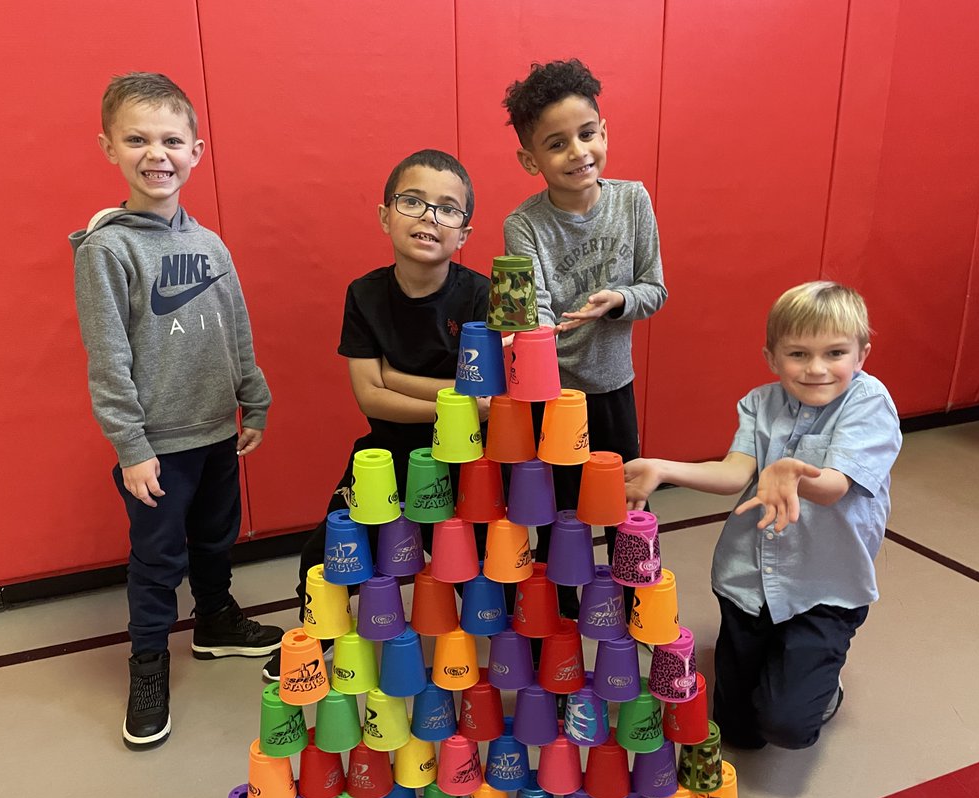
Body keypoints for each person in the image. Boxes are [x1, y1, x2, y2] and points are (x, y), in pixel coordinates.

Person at [71, 73, 280, 750]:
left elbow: (235, 326)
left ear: (197, 150)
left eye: (170, 139)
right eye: (137, 139)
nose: (155, 153)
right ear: (109, 147)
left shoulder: (212, 245)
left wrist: (253, 393)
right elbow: (107, 360)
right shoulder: (109, 250)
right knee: (157, 559)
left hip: (218, 429)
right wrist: (131, 447)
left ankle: (216, 621)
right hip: (158, 444)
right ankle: (149, 665)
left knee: (217, 539)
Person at [624, 281, 902, 749]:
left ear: (861, 355)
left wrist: (794, 473)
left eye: (835, 353)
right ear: (772, 358)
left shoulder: (869, 402)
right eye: (798, 354)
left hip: (823, 589)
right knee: (738, 732)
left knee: (787, 727)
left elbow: (834, 488)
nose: (816, 369)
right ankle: (777, 669)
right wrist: (664, 467)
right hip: (747, 583)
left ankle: (822, 689)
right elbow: (734, 474)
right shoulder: (759, 403)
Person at [264, 149, 491, 681]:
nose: (429, 217)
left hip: (464, 460)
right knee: (326, 553)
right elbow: (370, 398)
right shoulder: (364, 294)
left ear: (464, 233)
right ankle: (318, 636)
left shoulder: (480, 294)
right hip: (385, 453)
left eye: (447, 209)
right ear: (385, 214)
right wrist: (446, 397)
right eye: (412, 202)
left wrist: (397, 378)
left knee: (482, 568)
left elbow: (484, 406)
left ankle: (496, 637)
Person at [502, 58, 667, 617]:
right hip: (552, 401)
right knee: (560, 513)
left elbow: (654, 288)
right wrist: (528, 335)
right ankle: (561, 610)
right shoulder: (522, 225)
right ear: (531, 160)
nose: (578, 152)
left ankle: (629, 603)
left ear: (604, 131)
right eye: (557, 143)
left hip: (613, 386)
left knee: (624, 503)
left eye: (587, 133)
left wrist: (618, 301)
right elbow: (530, 314)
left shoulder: (633, 200)